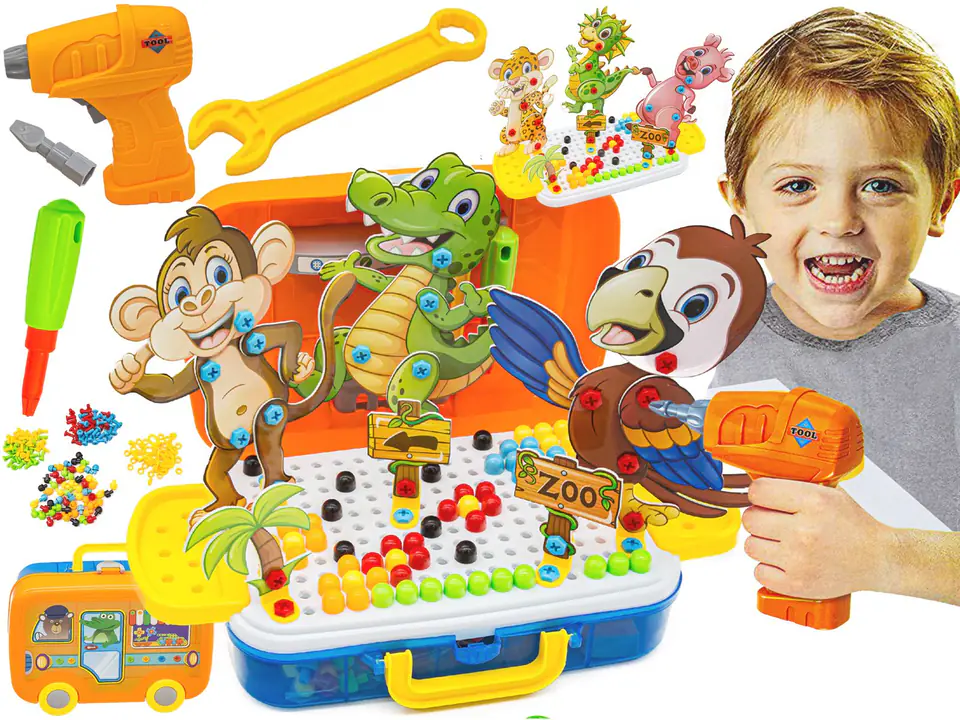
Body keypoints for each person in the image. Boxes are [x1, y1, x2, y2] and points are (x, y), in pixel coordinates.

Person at [712, 7, 960, 604]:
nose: (839, 220)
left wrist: (883, 558)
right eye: (798, 186)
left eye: (881, 185)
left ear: (941, 202)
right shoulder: (701, 335)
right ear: (739, 204)